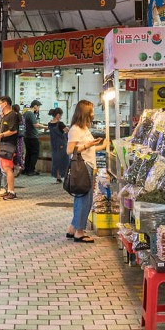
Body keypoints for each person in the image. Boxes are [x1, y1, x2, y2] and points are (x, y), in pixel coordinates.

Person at [65, 100, 108, 242]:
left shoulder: (84, 128)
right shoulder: (75, 129)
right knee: (84, 199)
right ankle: (79, 232)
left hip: (88, 165)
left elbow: (89, 149)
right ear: (84, 112)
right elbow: (70, 150)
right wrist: (89, 144)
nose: (93, 113)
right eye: (91, 110)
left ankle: (73, 228)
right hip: (82, 167)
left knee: (82, 198)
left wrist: (101, 145)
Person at [0, 96, 21, 200]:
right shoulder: (3, 116)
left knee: (8, 169)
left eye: (0, 103)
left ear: (5, 103)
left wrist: (1, 136)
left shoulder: (12, 115)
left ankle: (12, 192)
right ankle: (8, 190)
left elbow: (14, 131)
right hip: (2, 146)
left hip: (9, 146)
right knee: (4, 168)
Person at [23, 100, 45, 176]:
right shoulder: (31, 114)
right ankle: (31, 170)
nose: (39, 108)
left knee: (28, 154)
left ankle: (26, 169)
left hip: (27, 136)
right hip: (32, 137)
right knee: (34, 154)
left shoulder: (25, 113)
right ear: (35, 106)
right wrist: (45, 126)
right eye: (38, 107)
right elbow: (35, 125)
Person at [47, 107, 69, 183]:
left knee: (56, 161)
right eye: (60, 115)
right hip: (62, 144)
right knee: (64, 160)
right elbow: (67, 130)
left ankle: (58, 177)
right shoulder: (60, 124)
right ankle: (65, 176)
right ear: (58, 115)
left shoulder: (49, 124)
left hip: (54, 144)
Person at [13, 103, 26, 177]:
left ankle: (17, 167)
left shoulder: (14, 117)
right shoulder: (22, 117)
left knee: (15, 152)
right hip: (21, 137)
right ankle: (21, 165)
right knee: (20, 152)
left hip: (15, 138)